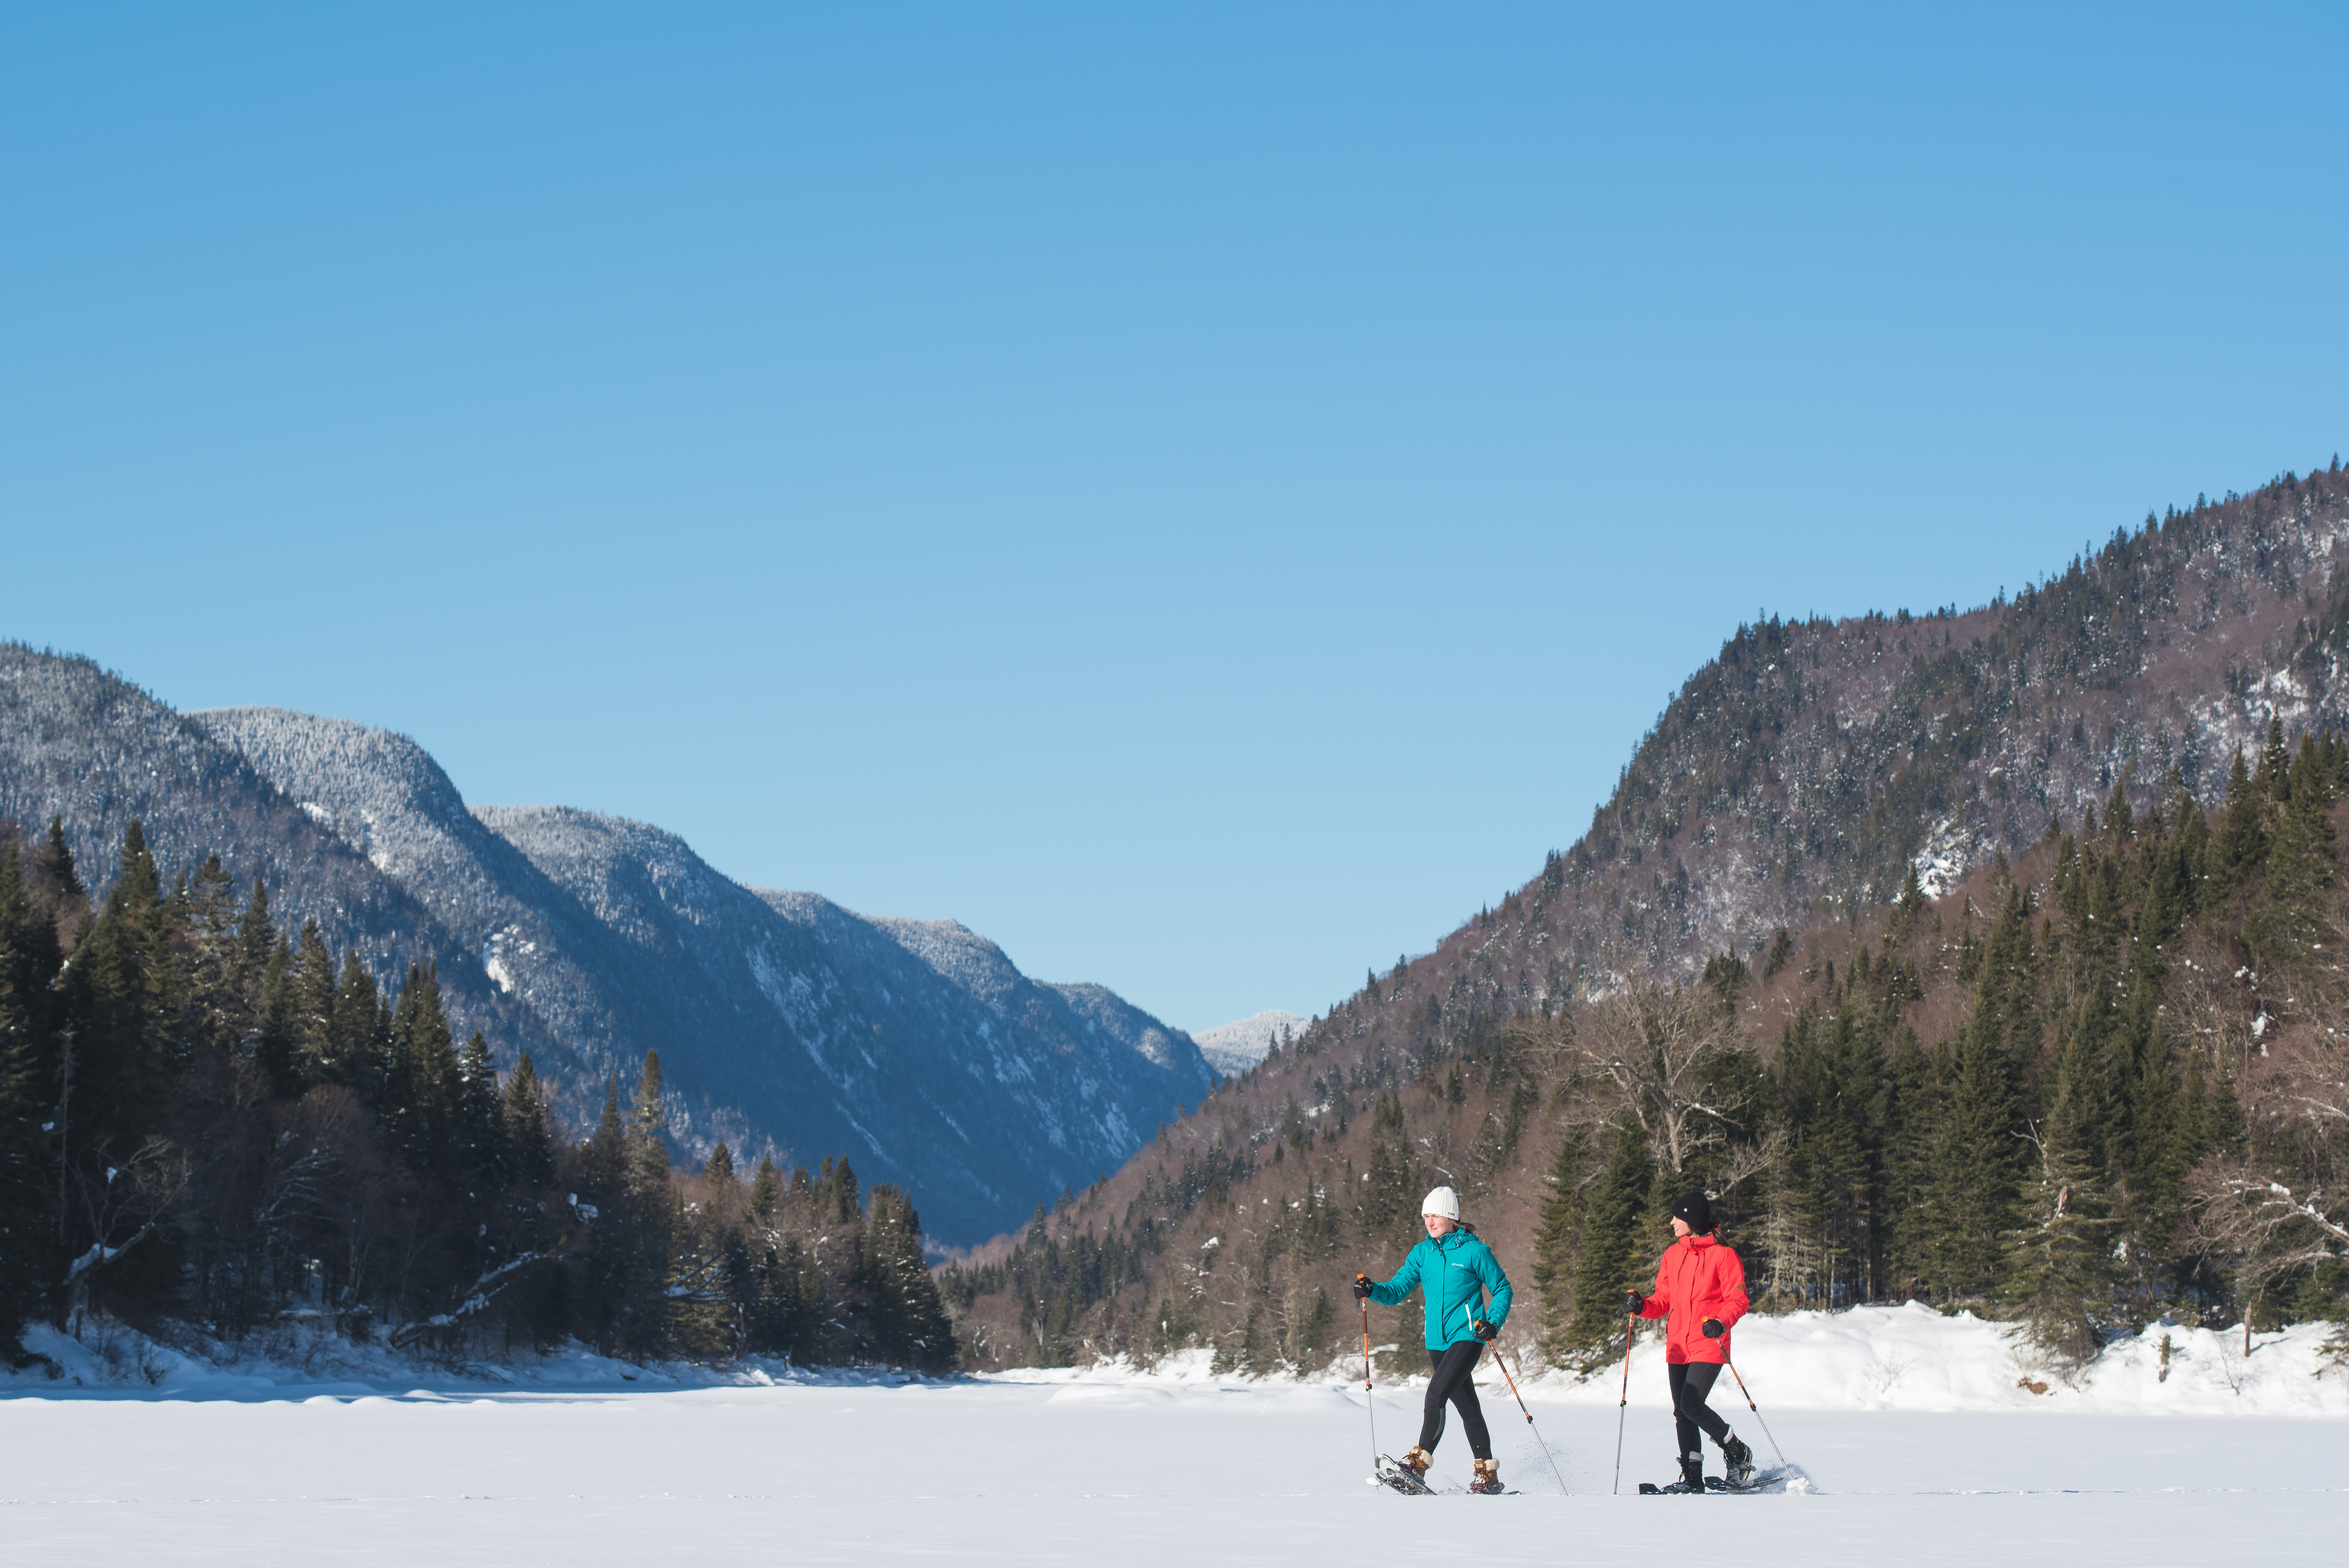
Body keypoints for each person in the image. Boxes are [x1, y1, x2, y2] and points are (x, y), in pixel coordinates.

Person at [1354, 1185, 1514, 1494]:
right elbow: (1398, 1290)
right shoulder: (1422, 1253)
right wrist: (1373, 1289)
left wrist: (1492, 1323)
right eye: (1426, 1216)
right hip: (1436, 1343)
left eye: (1436, 1215)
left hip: (1467, 1336)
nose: (1430, 1221)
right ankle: (1487, 1475)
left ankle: (1418, 1466)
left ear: (1451, 1216)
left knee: (1435, 1394)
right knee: (1468, 1409)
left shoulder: (1474, 1251)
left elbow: (1503, 1289)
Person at [1625, 1189, 1753, 1492]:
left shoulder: (1725, 1256)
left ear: (1691, 1220)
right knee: (1682, 1412)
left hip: (1709, 1343)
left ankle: (1736, 1449)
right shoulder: (1673, 1255)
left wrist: (1721, 1322)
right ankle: (1693, 1477)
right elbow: (1664, 1300)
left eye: (1677, 1217)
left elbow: (1739, 1300)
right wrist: (1643, 1306)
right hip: (1679, 1346)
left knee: (1691, 1405)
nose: (1671, 1223)